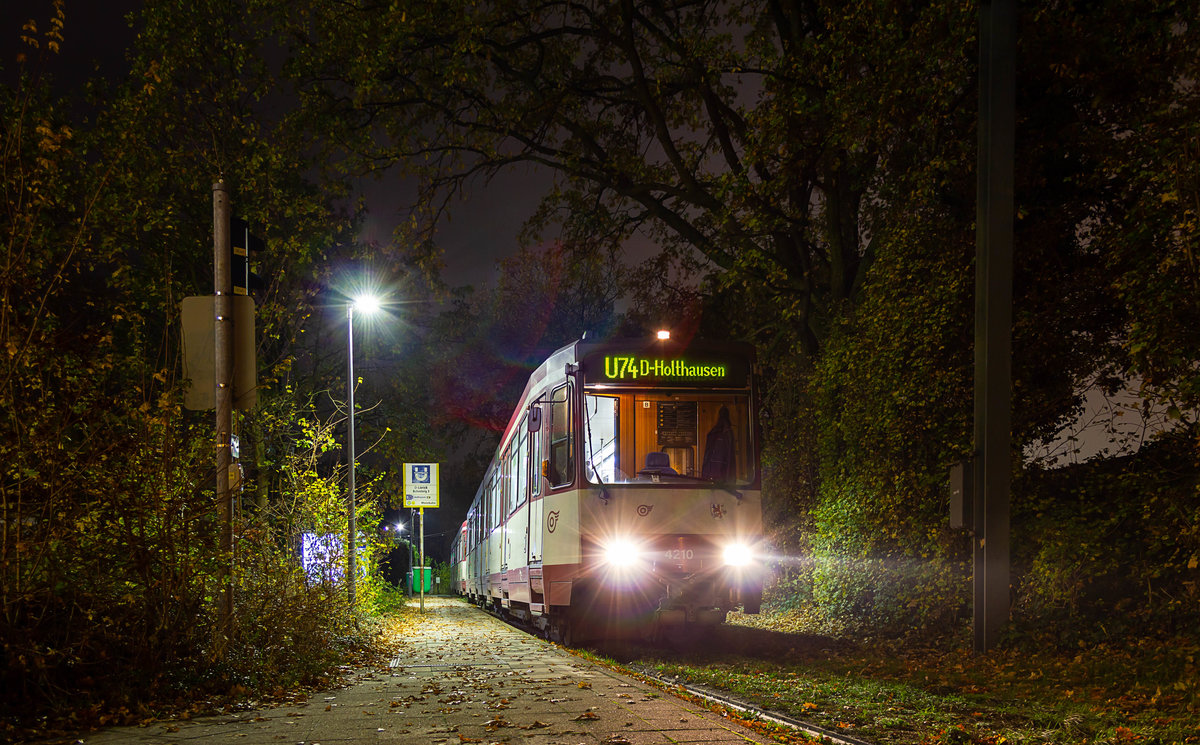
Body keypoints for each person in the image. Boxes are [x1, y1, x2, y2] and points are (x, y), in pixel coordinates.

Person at [700, 406, 735, 482]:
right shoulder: (728, 433)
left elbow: (708, 455)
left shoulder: (714, 432)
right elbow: (730, 459)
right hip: (722, 475)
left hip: (711, 473)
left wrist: (705, 476)